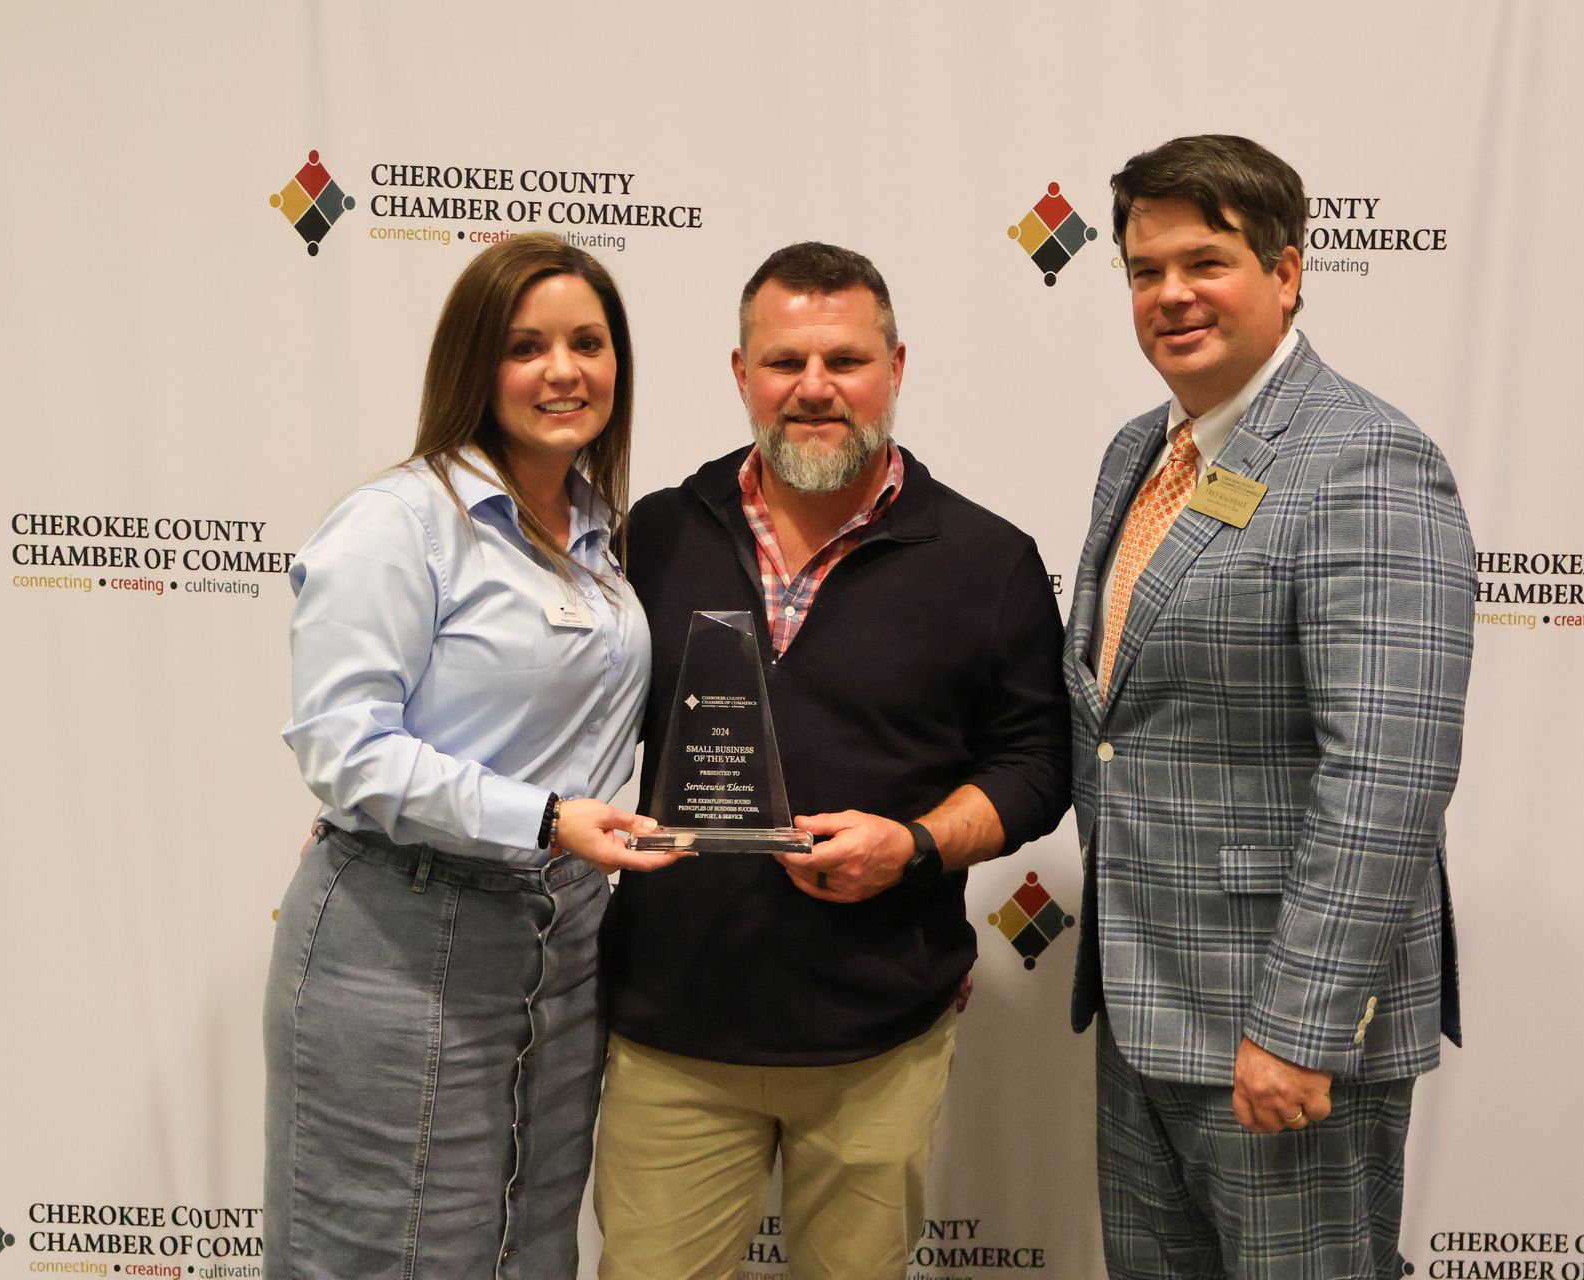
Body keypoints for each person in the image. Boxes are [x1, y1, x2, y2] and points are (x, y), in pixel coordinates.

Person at [594, 242, 1071, 1280]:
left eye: (845, 360)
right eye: (784, 362)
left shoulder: (989, 561)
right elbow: (566, 723)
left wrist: (911, 844)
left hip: (877, 1038)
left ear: (897, 367)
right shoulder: (653, 537)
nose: (814, 388)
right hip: (674, 1030)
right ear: (739, 374)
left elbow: (1036, 764)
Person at [1065, 135, 1476, 1279]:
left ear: (1287, 272)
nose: (1171, 294)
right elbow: (1115, 720)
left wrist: (1299, 1024)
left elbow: (1387, 775)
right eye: (1146, 270)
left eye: (1206, 261)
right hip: (1144, 1008)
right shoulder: (1136, 455)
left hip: (1285, 1038)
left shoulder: (1368, 459)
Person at [263, 232, 681, 1280]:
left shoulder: (596, 531)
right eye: (526, 345)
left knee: (524, 1249)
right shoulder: (400, 523)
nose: (564, 370)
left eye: (589, 342)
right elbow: (342, 745)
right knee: (379, 1253)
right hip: (403, 946)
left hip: (561, 949)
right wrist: (543, 817)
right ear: (473, 364)